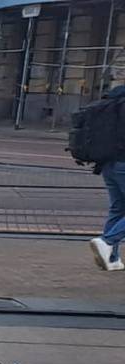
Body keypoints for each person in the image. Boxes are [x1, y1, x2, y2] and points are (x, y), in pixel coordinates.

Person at [88, 56, 125, 272]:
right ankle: (107, 241)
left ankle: (111, 258)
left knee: (118, 208)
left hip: (107, 164)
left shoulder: (111, 102)